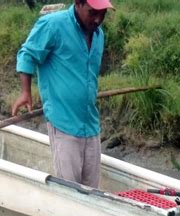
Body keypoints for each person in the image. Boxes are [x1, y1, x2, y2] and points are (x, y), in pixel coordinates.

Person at [12, 0, 114, 188]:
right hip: (64, 123)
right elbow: (27, 54)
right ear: (78, 4)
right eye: (93, 13)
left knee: (92, 192)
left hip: (90, 125)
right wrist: (25, 92)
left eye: (103, 13)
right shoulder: (53, 25)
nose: (98, 19)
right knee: (70, 190)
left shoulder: (99, 35)